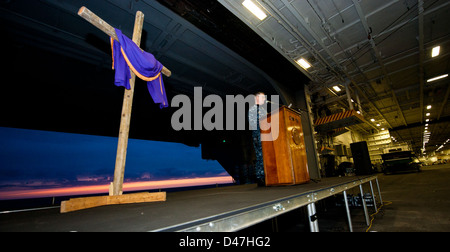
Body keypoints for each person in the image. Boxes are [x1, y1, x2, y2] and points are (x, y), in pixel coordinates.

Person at [248, 92, 268, 186]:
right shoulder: (253, 109)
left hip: (265, 135)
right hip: (258, 135)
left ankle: (267, 176)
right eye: (262, 97)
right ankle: (260, 178)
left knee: (265, 156)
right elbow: (253, 123)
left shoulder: (263, 109)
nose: (264, 99)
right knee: (260, 157)